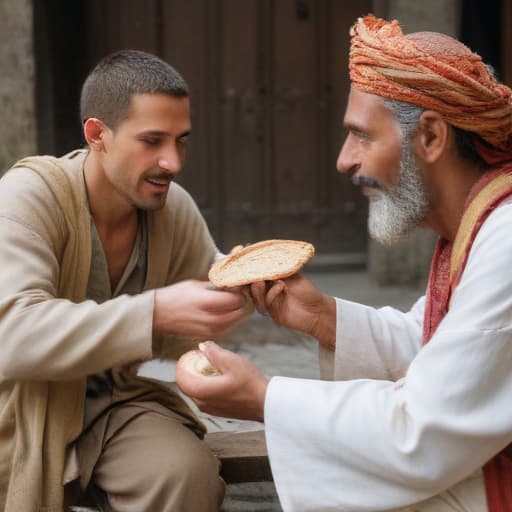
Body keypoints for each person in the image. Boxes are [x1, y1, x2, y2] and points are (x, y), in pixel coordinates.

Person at [176, 15, 512, 512]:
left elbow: (422, 433)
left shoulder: (504, 243)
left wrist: (264, 398)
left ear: (432, 137)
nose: (344, 159)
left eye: (362, 135)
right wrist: (324, 319)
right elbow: (438, 345)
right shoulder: (477, 225)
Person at [0, 49, 253, 511]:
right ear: (97, 134)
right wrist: (155, 311)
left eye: (181, 140)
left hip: (112, 404)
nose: (172, 162)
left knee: (187, 477)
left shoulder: (170, 206)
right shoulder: (28, 197)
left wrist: (245, 287)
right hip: (19, 409)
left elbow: (202, 291)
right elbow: (9, 335)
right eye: (152, 140)